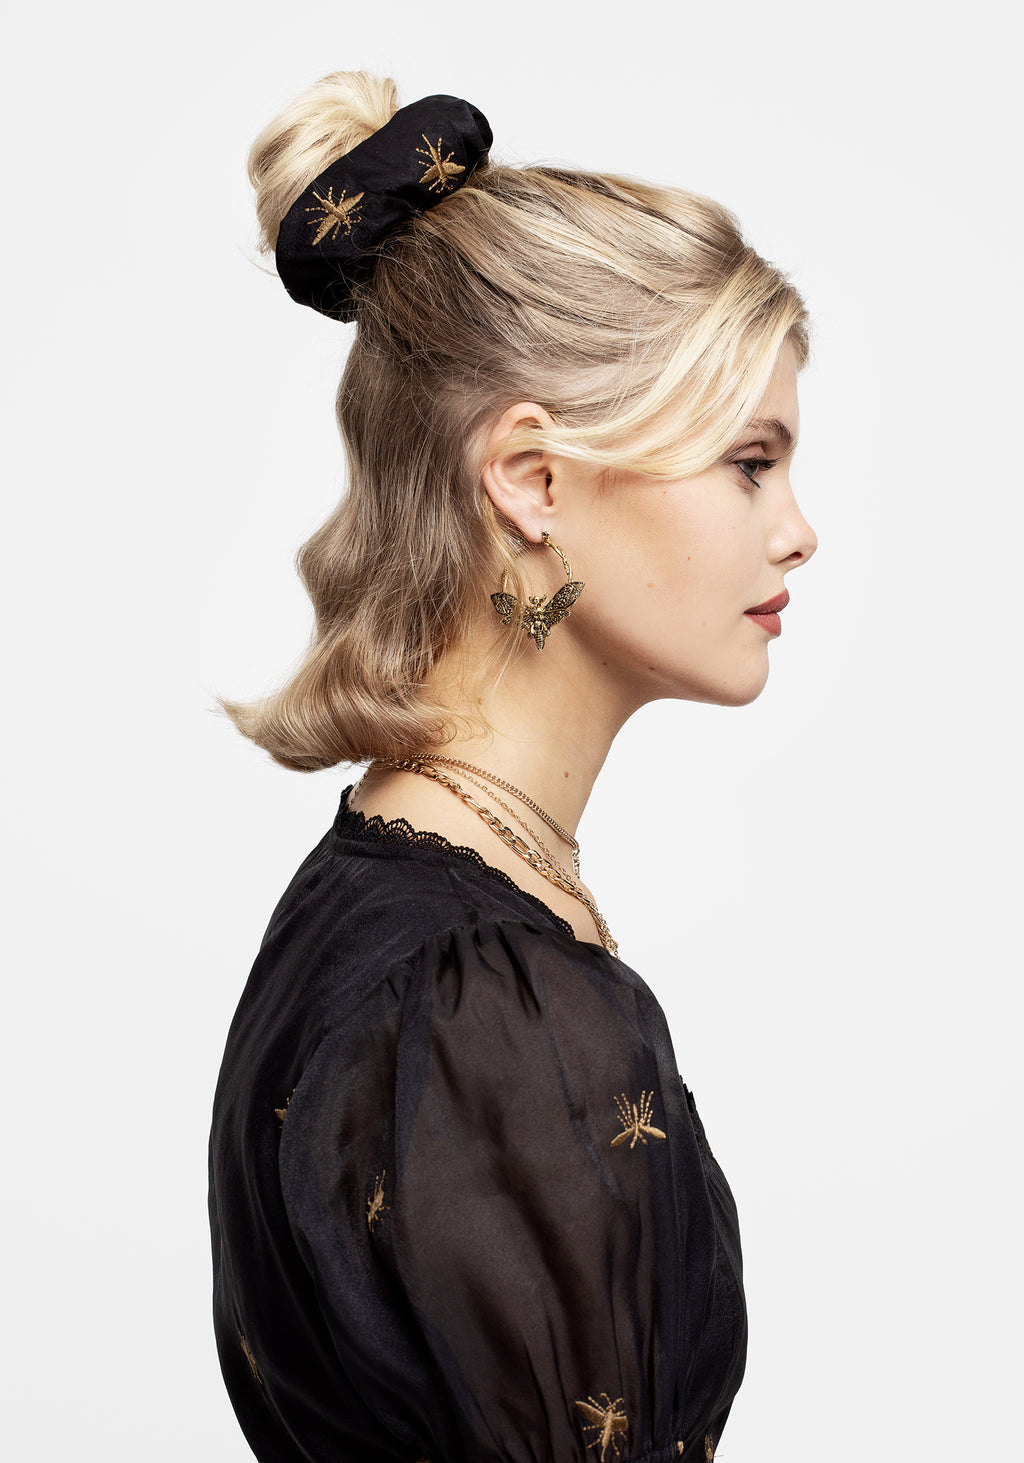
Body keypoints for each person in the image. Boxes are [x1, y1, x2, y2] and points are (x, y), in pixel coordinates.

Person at [208, 70, 817, 1463]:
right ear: (534, 482)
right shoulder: (489, 1003)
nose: (799, 530)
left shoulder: (371, 904)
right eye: (750, 462)